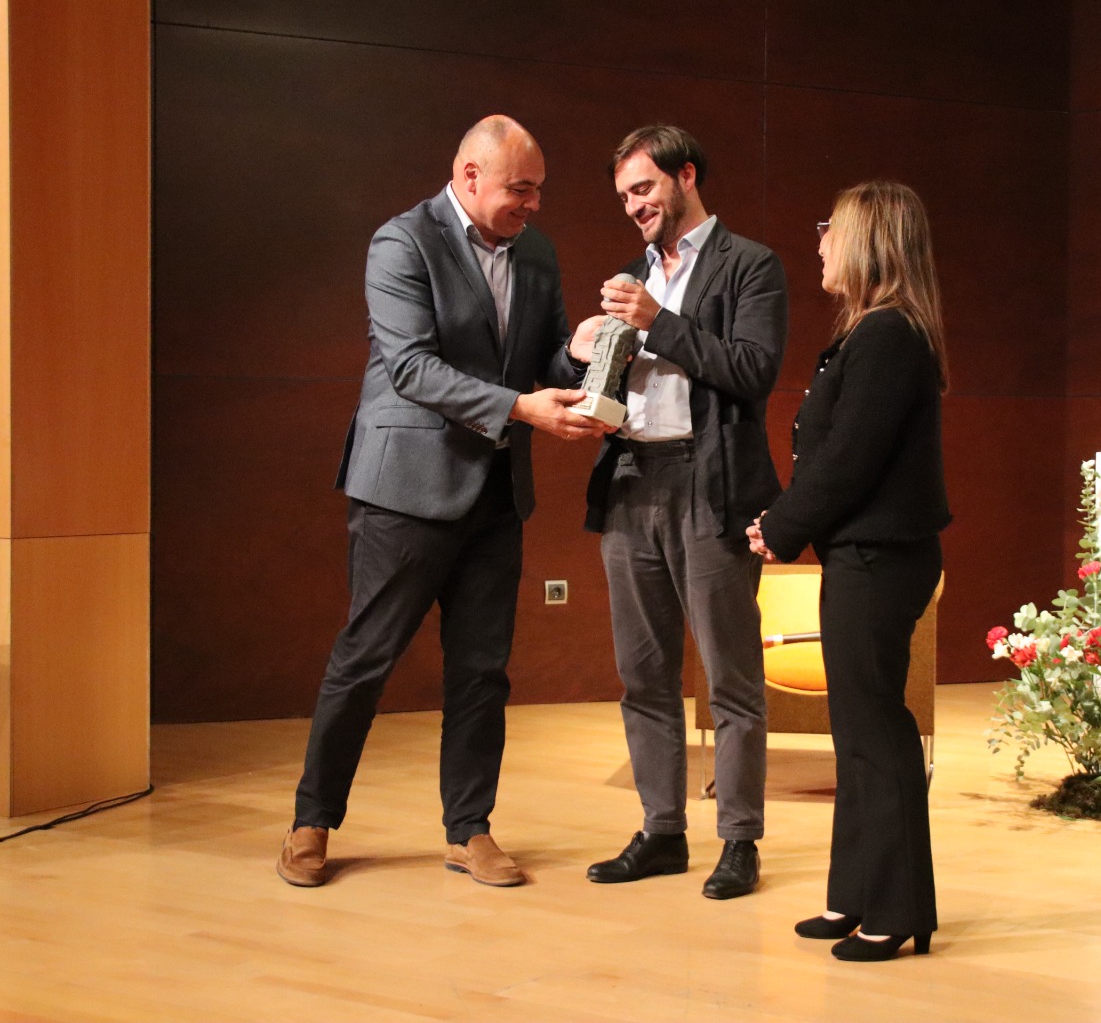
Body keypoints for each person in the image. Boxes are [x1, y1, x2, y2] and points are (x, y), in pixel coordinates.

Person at [276, 116, 608, 890]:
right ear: (468, 176)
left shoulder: (538, 251)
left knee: (483, 672)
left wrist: (581, 349)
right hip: (403, 492)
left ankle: (470, 830)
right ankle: (312, 820)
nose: (532, 206)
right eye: (519, 190)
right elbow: (413, 369)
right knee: (365, 660)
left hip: (495, 494)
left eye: (539, 192)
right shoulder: (402, 242)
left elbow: (545, 352)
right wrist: (523, 409)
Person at [577, 125, 787, 899]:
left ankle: (739, 840)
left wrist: (655, 324)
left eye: (644, 188)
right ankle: (662, 830)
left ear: (685, 175)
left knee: (730, 677)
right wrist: (585, 355)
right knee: (643, 675)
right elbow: (625, 375)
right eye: (625, 195)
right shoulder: (636, 274)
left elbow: (753, 371)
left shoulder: (750, 265)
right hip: (631, 475)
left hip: (712, 480)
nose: (634, 206)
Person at [747, 180, 950, 961]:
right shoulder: (875, 333)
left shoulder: (889, 336)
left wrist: (783, 527)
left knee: (877, 732)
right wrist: (792, 523)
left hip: (878, 557)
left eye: (832, 227)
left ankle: (897, 911)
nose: (821, 240)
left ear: (868, 240)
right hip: (864, 555)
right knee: (858, 730)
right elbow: (837, 458)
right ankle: (857, 895)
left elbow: (848, 461)